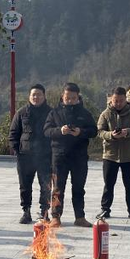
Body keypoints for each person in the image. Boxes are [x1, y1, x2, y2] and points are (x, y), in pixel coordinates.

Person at [43, 82, 98, 228]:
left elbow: (94, 131)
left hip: (79, 156)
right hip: (59, 157)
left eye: (73, 98)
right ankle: (55, 216)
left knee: (79, 187)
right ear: (63, 96)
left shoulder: (85, 113)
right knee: (58, 188)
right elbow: (47, 131)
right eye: (68, 97)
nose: (70, 100)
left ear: (78, 98)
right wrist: (60, 131)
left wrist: (81, 132)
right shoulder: (54, 113)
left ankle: (80, 217)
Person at [97, 87, 130, 220]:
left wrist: (127, 132)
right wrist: (111, 135)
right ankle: (105, 210)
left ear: (126, 100)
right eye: (115, 100)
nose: (118, 103)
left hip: (128, 156)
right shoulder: (105, 114)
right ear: (111, 99)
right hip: (110, 155)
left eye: (121, 101)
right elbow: (100, 131)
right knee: (108, 184)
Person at [9, 84, 52, 223]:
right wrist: (17, 149)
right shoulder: (21, 113)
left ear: (44, 96)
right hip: (25, 156)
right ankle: (26, 211)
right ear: (29, 96)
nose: (36, 97)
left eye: (39, 94)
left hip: (45, 157)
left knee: (46, 185)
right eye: (33, 94)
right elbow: (13, 133)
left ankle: (44, 212)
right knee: (25, 185)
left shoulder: (51, 113)